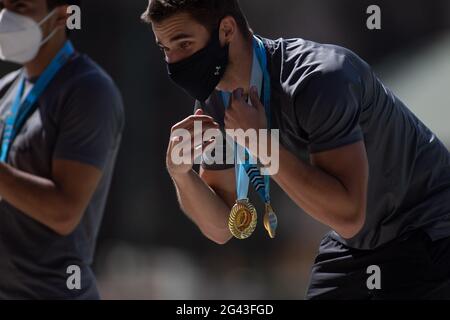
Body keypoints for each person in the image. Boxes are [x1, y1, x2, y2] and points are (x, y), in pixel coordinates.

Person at [141, 0, 450, 299]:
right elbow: (222, 227)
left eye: (183, 44)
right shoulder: (214, 99)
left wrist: (262, 145)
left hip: (430, 227)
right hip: (359, 242)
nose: (174, 61)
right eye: (165, 48)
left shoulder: (319, 80)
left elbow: (348, 214)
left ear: (226, 30)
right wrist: (181, 175)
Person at [0, 0, 124, 299]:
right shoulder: (5, 89)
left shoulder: (88, 90)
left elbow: (64, 213)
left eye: (20, 6)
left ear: (63, 16)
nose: (6, 17)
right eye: (2, 5)